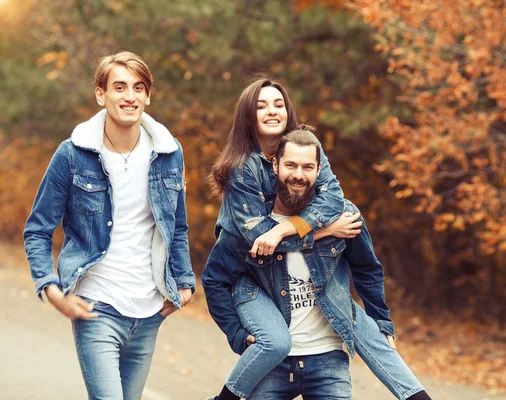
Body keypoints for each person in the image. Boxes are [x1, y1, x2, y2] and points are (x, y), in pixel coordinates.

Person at [203, 86, 430, 398]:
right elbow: (236, 261)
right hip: (273, 358)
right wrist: (238, 335)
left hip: (327, 360)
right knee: (277, 338)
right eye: (262, 105)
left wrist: (382, 321)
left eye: (308, 166)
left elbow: (367, 267)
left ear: (319, 167)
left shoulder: (342, 215)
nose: (299, 174)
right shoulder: (244, 188)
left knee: (361, 325)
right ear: (275, 167)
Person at [23, 51, 195, 400]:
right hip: (96, 306)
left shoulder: (168, 152)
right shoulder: (72, 154)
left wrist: (186, 284)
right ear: (101, 94)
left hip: (149, 310)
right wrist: (52, 289)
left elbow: (176, 226)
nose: (129, 96)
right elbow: (38, 230)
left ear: (148, 95)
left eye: (138, 87)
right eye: (119, 87)